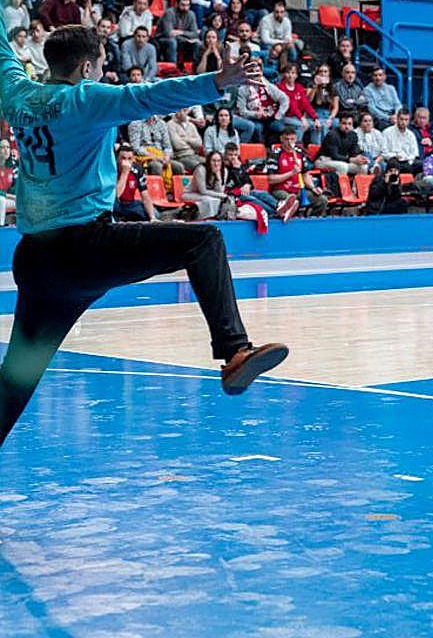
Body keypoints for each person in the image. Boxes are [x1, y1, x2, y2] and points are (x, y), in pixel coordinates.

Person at [0, 24, 288, 447]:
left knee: (15, 381)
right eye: (101, 66)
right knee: (203, 241)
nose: (103, 73)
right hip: (83, 248)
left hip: (35, 261)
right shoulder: (86, 99)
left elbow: (3, 53)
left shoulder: (17, 94)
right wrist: (218, 81)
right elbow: (150, 96)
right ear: (85, 69)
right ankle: (234, 351)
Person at [113, 144, 157, 222]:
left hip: (130, 205)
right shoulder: (112, 171)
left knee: (153, 212)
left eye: (129, 159)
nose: (126, 162)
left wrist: (152, 217)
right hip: (115, 205)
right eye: (123, 158)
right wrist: (125, 173)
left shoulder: (137, 170)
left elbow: (145, 195)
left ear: (133, 160)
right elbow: (116, 196)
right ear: (117, 159)